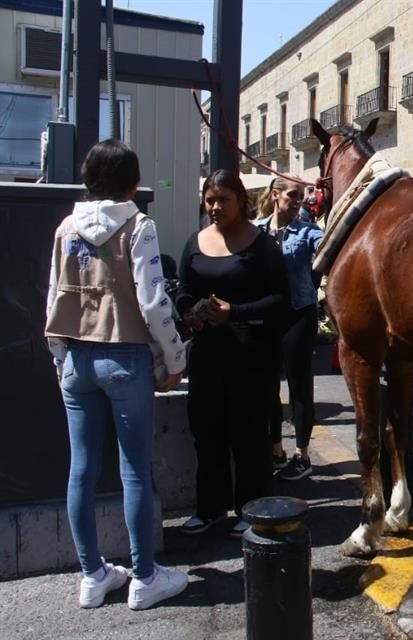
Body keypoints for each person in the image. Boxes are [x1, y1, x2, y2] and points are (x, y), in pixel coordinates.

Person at [45, 139, 189, 609]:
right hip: (124, 356)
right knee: (134, 471)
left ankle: (92, 575)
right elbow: (152, 301)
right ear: (132, 181)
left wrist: (58, 355)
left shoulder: (67, 227)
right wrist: (173, 358)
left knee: (81, 469)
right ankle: (144, 577)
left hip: (75, 358)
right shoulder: (138, 225)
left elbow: (55, 295)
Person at [177, 170, 289, 538]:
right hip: (207, 353)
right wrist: (190, 311)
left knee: (249, 435)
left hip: (250, 355)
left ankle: (251, 506)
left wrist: (235, 312)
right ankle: (209, 507)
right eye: (210, 199)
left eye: (223, 199)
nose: (215, 207)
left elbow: (279, 300)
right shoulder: (195, 242)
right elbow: (182, 291)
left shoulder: (263, 246)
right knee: (206, 431)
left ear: (241, 201)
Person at [255, 177, 325, 481]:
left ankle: (302, 453)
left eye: (301, 196)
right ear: (275, 195)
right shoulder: (255, 230)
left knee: (299, 385)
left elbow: (326, 250)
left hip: (299, 314)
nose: (298, 201)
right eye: (293, 195)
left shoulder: (309, 231)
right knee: (268, 385)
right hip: (267, 316)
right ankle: (275, 449)